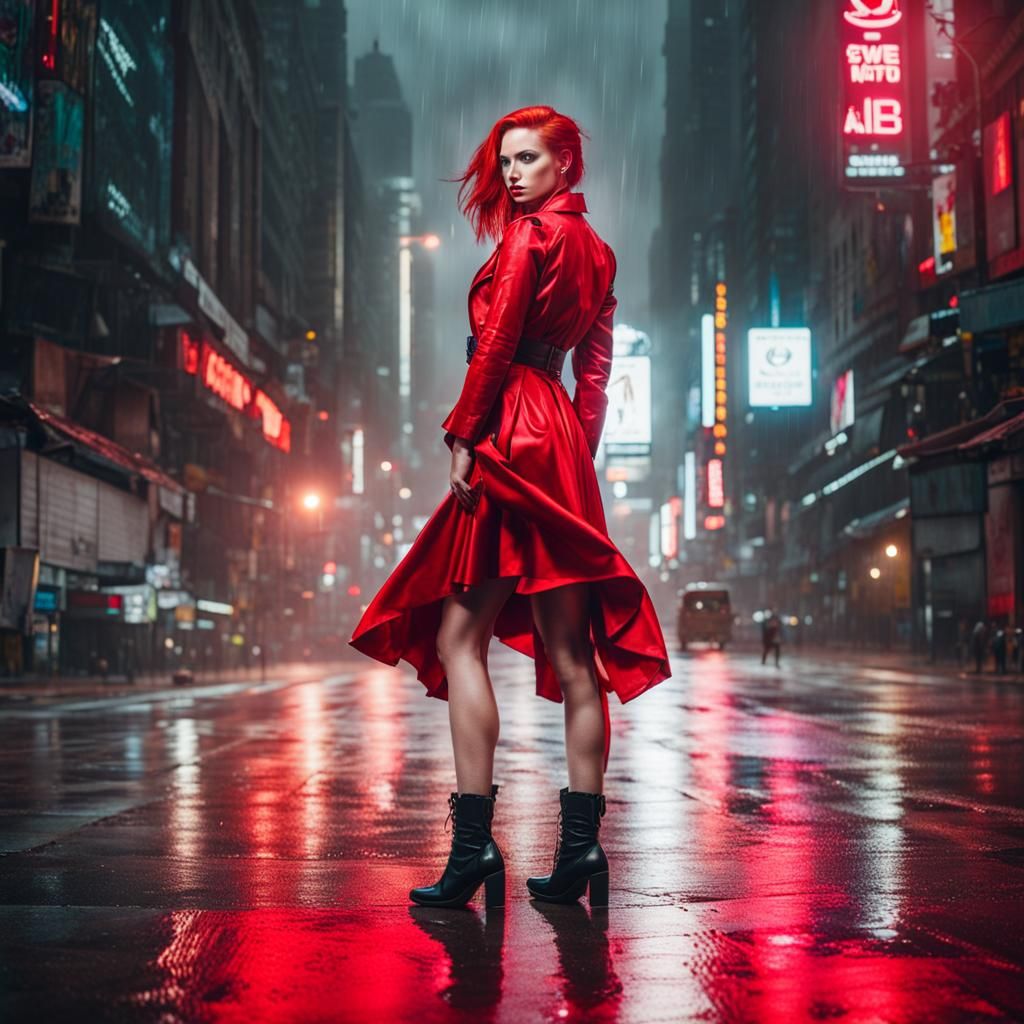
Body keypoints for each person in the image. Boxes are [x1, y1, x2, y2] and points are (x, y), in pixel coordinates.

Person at [349, 105, 671, 910]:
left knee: (462, 636)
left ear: (566, 164)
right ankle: (581, 852)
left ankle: (472, 850)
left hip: (510, 425)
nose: (513, 174)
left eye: (528, 159)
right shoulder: (600, 253)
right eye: (507, 163)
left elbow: (494, 346)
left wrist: (465, 434)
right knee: (575, 657)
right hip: (558, 431)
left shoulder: (530, 238)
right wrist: (572, 455)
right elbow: (594, 380)